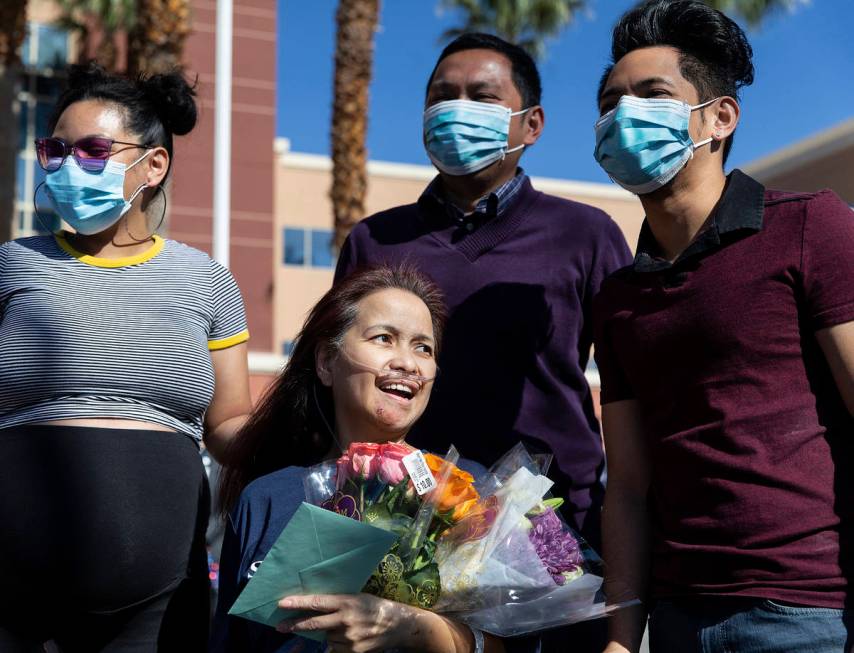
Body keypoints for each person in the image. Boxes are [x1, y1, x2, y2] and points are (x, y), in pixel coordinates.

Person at [335, 28, 630, 620]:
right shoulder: (374, 239)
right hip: (400, 525)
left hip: (554, 528)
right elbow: (336, 382)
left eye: (482, 97)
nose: (457, 110)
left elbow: (631, 391)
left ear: (531, 124)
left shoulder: (587, 234)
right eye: (442, 95)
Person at [591, 2, 854, 652]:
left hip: (810, 615)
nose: (624, 115)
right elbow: (626, 485)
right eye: (610, 101)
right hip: (678, 623)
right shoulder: (619, 297)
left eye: (651, 94)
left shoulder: (810, 225)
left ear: (720, 117)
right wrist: (623, 637)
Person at [0, 63, 252, 651]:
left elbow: (229, 425)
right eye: (54, 150)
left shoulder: (207, 280)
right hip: (10, 587)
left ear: (153, 164)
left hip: (157, 603)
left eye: (92, 150)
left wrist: (312, 440)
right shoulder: (11, 263)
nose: (67, 167)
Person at [212, 265, 509, 653]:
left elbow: (515, 641)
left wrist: (418, 630)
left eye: (424, 348)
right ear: (325, 362)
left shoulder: (469, 490)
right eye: (384, 338)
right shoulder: (266, 498)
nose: (408, 363)